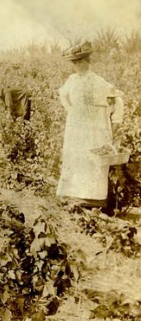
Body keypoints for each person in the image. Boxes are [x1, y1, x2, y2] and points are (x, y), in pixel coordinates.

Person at [57, 41, 125, 207]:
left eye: (81, 61)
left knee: (93, 159)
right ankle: (72, 195)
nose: (78, 65)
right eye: (75, 62)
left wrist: (116, 122)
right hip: (76, 126)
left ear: (88, 62)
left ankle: (93, 199)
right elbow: (62, 95)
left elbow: (118, 99)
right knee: (75, 157)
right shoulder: (72, 80)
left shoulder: (98, 81)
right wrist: (70, 109)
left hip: (96, 127)